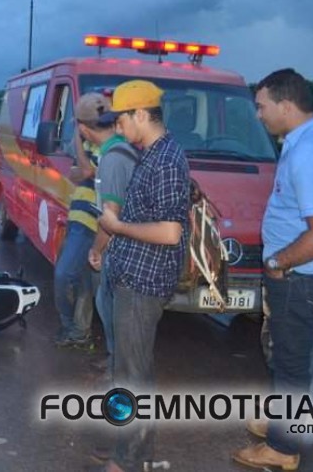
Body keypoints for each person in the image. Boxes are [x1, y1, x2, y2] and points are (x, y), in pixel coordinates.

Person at [233, 68, 313, 470]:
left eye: (262, 106)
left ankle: (282, 449)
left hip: (301, 275)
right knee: (292, 356)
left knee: (289, 362)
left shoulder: (310, 152)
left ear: (286, 105)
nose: (259, 115)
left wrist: (276, 262)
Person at [97, 80, 190, 472]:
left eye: (121, 120)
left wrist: (116, 227)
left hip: (142, 282)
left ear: (140, 115)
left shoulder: (166, 160)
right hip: (131, 275)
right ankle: (132, 449)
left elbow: (171, 233)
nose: (118, 129)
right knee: (132, 369)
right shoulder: (152, 155)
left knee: (132, 375)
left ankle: (129, 460)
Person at [86, 110, 139, 369]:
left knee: (108, 304)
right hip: (130, 241)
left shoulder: (113, 159)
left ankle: (118, 366)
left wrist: (96, 249)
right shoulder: (124, 151)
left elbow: (110, 215)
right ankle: (119, 364)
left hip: (121, 245)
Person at [52, 93, 104, 348]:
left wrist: (75, 138)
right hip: (78, 217)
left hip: (91, 223)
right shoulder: (92, 148)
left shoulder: (108, 148)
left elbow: (83, 171)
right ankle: (79, 332)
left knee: (63, 275)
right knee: (83, 280)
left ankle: (69, 325)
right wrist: (83, 167)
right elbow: (76, 174)